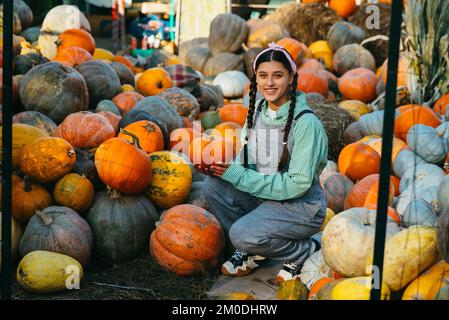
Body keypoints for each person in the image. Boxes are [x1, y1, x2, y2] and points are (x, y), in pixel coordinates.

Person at [199, 42, 329, 283]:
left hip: (301, 205)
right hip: (268, 195)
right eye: (263, 76)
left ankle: (302, 250)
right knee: (212, 186)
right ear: (255, 80)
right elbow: (247, 160)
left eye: (277, 75)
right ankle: (253, 249)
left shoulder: (306, 124)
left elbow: (296, 184)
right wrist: (224, 169)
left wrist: (239, 176)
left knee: (240, 233)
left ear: (291, 78)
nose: (270, 83)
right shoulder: (258, 109)